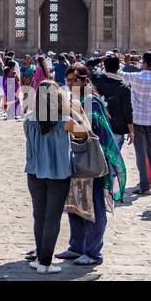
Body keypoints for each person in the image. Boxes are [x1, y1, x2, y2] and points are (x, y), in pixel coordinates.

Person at [61, 65, 126, 266]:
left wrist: (68, 122)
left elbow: (94, 130)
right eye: (68, 80)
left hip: (93, 160)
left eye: (74, 80)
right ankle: (76, 246)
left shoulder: (91, 102)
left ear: (84, 80)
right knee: (76, 203)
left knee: (95, 205)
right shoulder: (74, 101)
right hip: (77, 158)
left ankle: (94, 251)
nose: (71, 84)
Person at [24, 81, 90, 274]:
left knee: (39, 215)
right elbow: (85, 134)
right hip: (58, 174)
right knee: (52, 219)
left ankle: (39, 260)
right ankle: (46, 262)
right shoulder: (65, 120)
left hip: (34, 173)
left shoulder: (28, 119)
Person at [116, 49, 151, 196]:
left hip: (138, 119)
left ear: (144, 62)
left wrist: (124, 62)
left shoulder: (137, 77)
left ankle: (144, 185)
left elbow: (120, 73)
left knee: (140, 154)